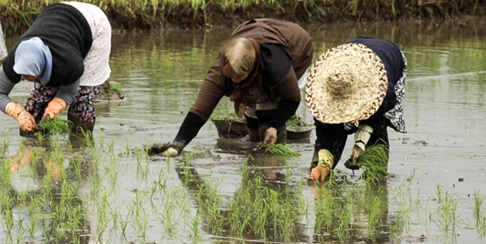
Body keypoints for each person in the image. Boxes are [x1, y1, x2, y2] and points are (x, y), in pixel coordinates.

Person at [156, 18, 313, 156]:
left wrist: (274, 126)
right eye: (232, 77)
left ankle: (272, 161)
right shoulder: (219, 71)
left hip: (296, 46)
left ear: (252, 69)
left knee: (268, 107)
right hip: (254, 34)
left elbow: (292, 99)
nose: (235, 81)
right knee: (251, 108)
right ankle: (254, 153)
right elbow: (200, 111)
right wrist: (177, 145)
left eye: (240, 77)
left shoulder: (277, 67)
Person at [0, 2, 112, 134]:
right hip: (57, 15)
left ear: (40, 69)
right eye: (21, 73)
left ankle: (80, 147)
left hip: (95, 24)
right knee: (37, 106)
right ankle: (35, 148)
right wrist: (19, 113)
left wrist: (55, 106)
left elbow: (70, 92)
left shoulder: (69, 64)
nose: (22, 78)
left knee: (81, 100)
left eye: (27, 74)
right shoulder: (15, 59)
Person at [304, 39, 407, 181]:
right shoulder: (322, 91)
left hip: (384, 58)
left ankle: (377, 177)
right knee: (334, 128)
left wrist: (362, 137)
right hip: (348, 56)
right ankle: (320, 173)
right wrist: (323, 161)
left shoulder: (381, 87)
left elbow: (388, 104)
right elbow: (323, 131)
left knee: (377, 127)